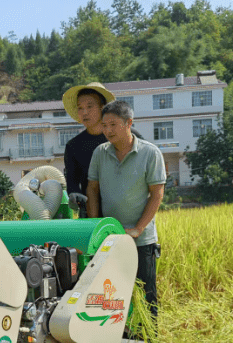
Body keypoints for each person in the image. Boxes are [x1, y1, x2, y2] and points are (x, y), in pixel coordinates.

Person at [86, 100, 166, 318]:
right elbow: (92, 189)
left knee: (145, 295)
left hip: (140, 241)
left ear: (129, 123)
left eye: (113, 124)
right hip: (108, 240)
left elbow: (157, 194)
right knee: (111, 297)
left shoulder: (150, 153)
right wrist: (94, 226)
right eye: (104, 125)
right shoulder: (100, 153)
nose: (107, 130)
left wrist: (138, 229)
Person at [61, 82, 144, 216]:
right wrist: (74, 195)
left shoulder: (129, 136)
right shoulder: (73, 146)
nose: (84, 112)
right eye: (80, 108)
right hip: (92, 214)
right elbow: (72, 181)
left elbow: (147, 167)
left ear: (103, 107)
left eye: (89, 106)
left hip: (129, 212)